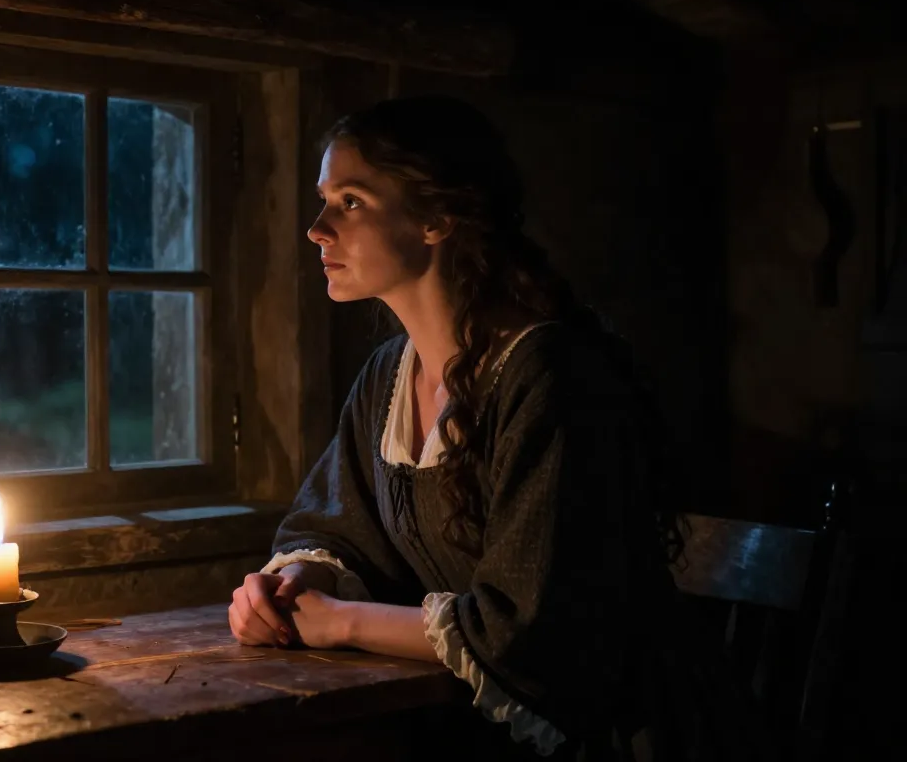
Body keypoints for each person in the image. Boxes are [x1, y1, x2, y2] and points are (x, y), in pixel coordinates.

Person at [227, 96, 767, 761]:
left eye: (351, 201)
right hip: (477, 724)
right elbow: (337, 528)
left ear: (437, 218)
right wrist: (292, 588)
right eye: (324, 199)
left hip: (615, 734)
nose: (316, 228)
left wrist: (341, 621)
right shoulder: (386, 379)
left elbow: (529, 630)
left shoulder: (548, 376)